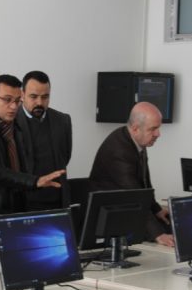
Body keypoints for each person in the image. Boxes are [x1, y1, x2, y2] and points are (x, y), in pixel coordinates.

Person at [0, 74, 65, 215]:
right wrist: (34, 181)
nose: (14, 106)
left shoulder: (15, 126)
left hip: (20, 206)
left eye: (17, 100)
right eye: (7, 100)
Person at [88, 102, 174, 247]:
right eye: (153, 129)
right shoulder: (119, 151)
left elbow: (144, 185)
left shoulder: (135, 139)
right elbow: (135, 195)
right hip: (109, 222)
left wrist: (157, 210)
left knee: (173, 227)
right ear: (135, 129)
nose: (158, 134)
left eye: (158, 128)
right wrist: (158, 234)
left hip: (127, 211)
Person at [15, 71, 73, 210]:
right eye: (33, 97)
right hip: (23, 202)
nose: (40, 102)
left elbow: (64, 157)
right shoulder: (11, 121)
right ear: (22, 95)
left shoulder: (62, 121)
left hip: (57, 201)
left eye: (45, 97)